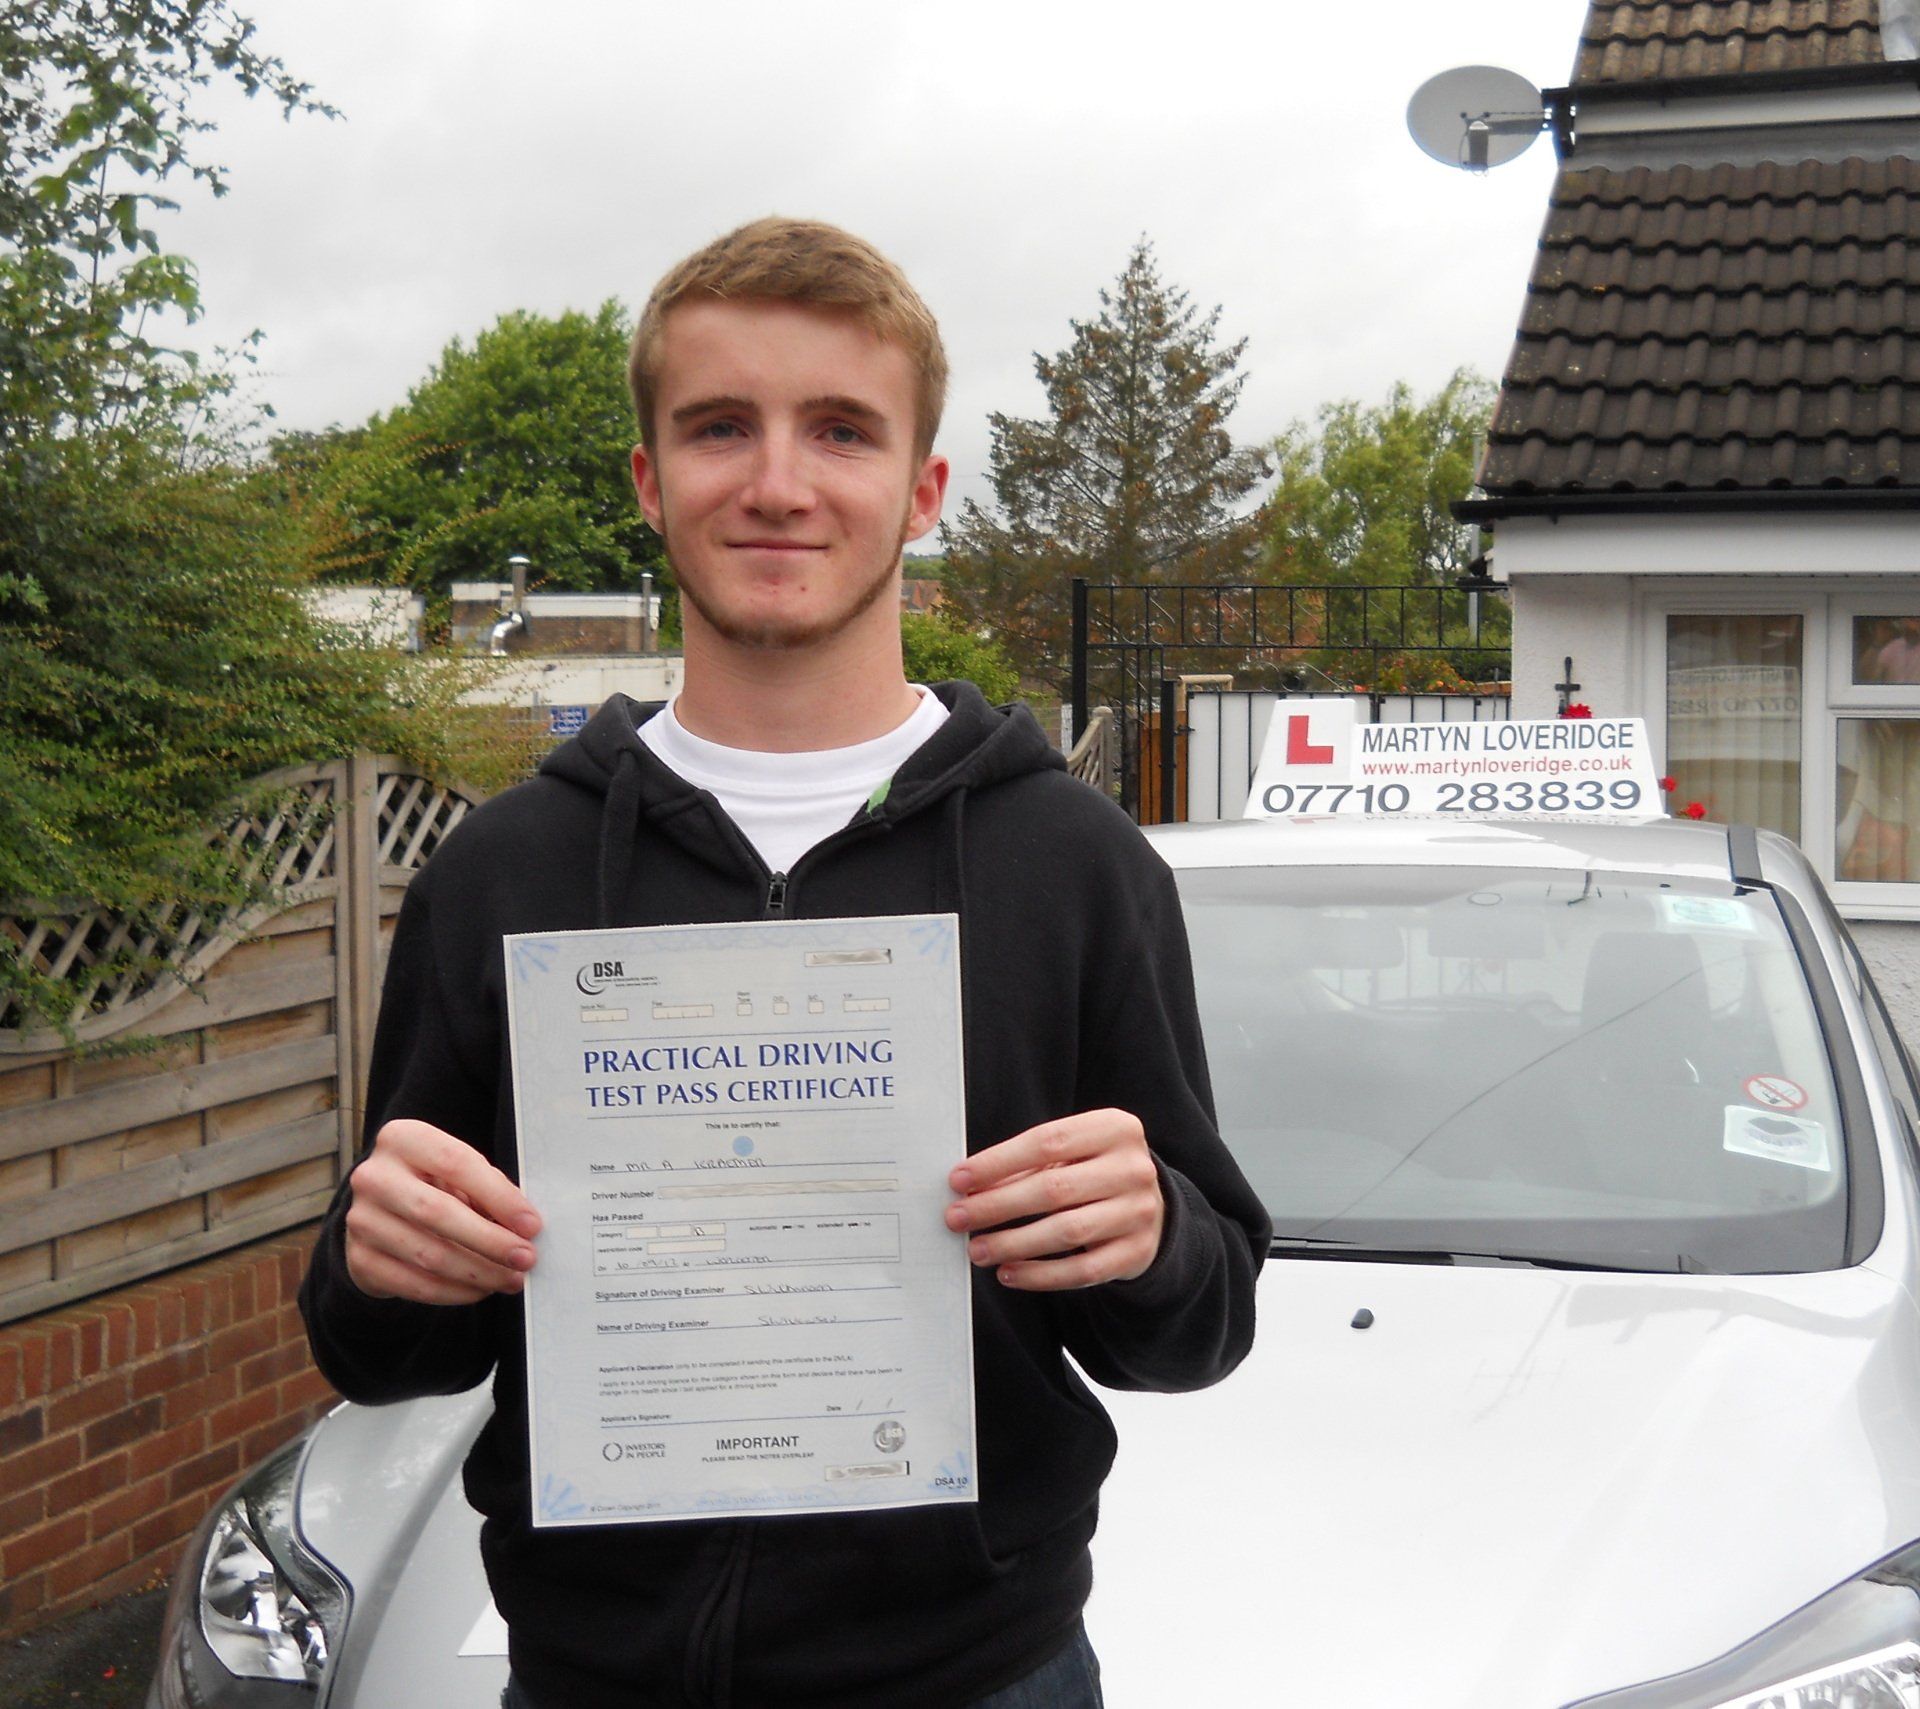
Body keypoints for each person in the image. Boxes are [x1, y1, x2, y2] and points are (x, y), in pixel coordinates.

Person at [299, 216, 1269, 1709]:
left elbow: (1203, 1327)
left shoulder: (1076, 867)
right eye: (717, 428)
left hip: (980, 1676)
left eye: (839, 429)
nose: (776, 483)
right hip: (594, 1679)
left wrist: (1152, 1239)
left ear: (922, 488)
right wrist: (378, 1268)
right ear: (648, 481)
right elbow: (385, 1348)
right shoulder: (504, 873)